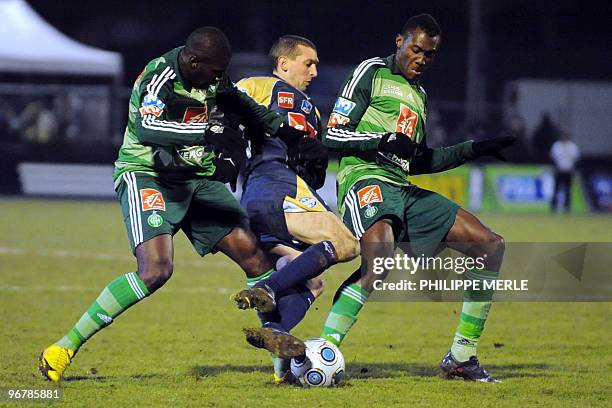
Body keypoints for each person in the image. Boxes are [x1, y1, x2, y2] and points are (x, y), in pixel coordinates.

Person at [37, 26, 312, 382]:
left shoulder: (212, 75)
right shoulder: (158, 76)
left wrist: (288, 132)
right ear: (193, 61)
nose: (219, 78)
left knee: (255, 258)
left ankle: (281, 368)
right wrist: (206, 133)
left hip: (194, 179)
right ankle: (62, 348)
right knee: (155, 271)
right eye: (214, 71)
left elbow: (241, 105)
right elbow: (150, 129)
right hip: (148, 176)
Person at [319, 14, 515, 382]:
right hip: (364, 179)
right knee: (378, 260)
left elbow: (421, 160)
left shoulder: (420, 97)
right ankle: (325, 348)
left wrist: (475, 148)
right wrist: (380, 141)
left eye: (429, 54)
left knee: (490, 245)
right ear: (399, 42)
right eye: (416, 49)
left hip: (401, 186)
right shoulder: (371, 72)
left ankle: (462, 355)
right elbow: (331, 135)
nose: (421, 59)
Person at [233, 35, 360, 383]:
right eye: (309, 63)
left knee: (313, 283)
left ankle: (272, 331)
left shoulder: (313, 112)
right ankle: (270, 289)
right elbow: (224, 104)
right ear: (283, 63)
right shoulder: (259, 86)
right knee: (348, 244)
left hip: (276, 196)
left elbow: (314, 174)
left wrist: (318, 159)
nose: (315, 71)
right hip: (276, 185)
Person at [550, 132, 580, 213]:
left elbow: (575, 159)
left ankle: (567, 207)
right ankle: (554, 207)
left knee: (568, 190)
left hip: (568, 171)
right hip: (559, 170)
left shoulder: (572, 146)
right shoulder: (557, 146)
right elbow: (553, 158)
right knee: (556, 189)